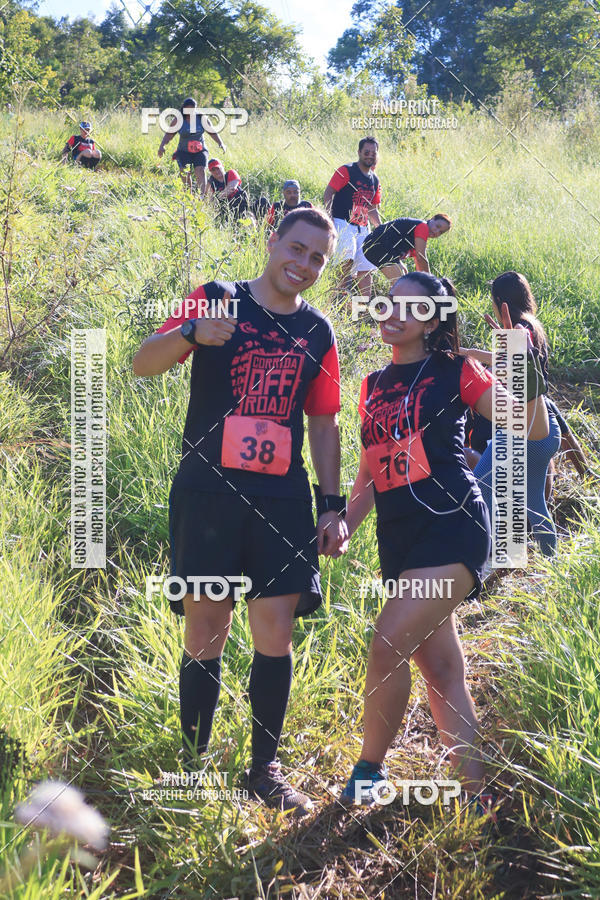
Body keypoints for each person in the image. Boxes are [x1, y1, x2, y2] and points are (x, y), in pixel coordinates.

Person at [132, 208, 347, 816]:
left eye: (317, 258)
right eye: (296, 248)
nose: (303, 264)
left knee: (274, 633)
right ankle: (193, 766)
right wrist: (190, 334)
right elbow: (142, 362)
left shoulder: (319, 331)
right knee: (206, 630)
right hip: (208, 493)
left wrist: (331, 506)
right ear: (272, 239)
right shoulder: (216, 298)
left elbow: (323, 423)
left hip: (282, 498)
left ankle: (264, 771)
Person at [336, 271, 507, 815]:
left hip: (452, 526)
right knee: (441, 670)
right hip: (399, 538)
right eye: (390, 303)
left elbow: (524, 425)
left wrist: (509, 355)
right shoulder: (370, 385)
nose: (394, 313)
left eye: (412, 308)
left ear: (433, 322)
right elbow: (369, 474)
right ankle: (476, 796)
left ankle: (369, 771)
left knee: (387, 644)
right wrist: (343, 524)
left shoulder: (456, 370)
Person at [460, 271, 561, 557]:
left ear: (499, 300)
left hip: (521, 426)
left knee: (480, 487)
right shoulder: (532, 325)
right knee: (534, 502)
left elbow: (511, 366)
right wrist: (468, 352)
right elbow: (507, 361)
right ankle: (551, 563)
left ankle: (491, 558)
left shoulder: (518, 329)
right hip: (544, 426)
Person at [323, 137, 382, 296]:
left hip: (362, 227)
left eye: (373, 153)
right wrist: (329, 219)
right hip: (342, 222)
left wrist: (381, 229)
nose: (370, 156)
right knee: (346, 260)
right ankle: (341, 298)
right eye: (366, 152)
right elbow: (328, 193)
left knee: (366, 267)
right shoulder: (346, 170)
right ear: (359, 152)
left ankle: (364, 305)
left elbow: (372, 208)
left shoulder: (375, 179)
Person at [158, 97, 226, 194]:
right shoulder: (178, 120)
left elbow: (212, 132)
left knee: (200, 170)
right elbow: (169, 134)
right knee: (185, 173)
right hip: (183, 151)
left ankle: (203, 196)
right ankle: (188, 196)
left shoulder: (201, 118)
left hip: (200, 150)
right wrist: (162, 146)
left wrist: (220, 143)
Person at [361, 215, 452, 281]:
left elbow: (419, 264)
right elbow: (421, 258)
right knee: (400, 284)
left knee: (404, 274)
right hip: (378, 246)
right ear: (432, 219)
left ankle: (391, 300)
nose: (436, 231)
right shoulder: (423, 226)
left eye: (441, 232)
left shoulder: (418, 238)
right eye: (437, 226)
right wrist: (431, 282)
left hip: (374, 246)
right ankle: (394, 301)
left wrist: (424, 282)